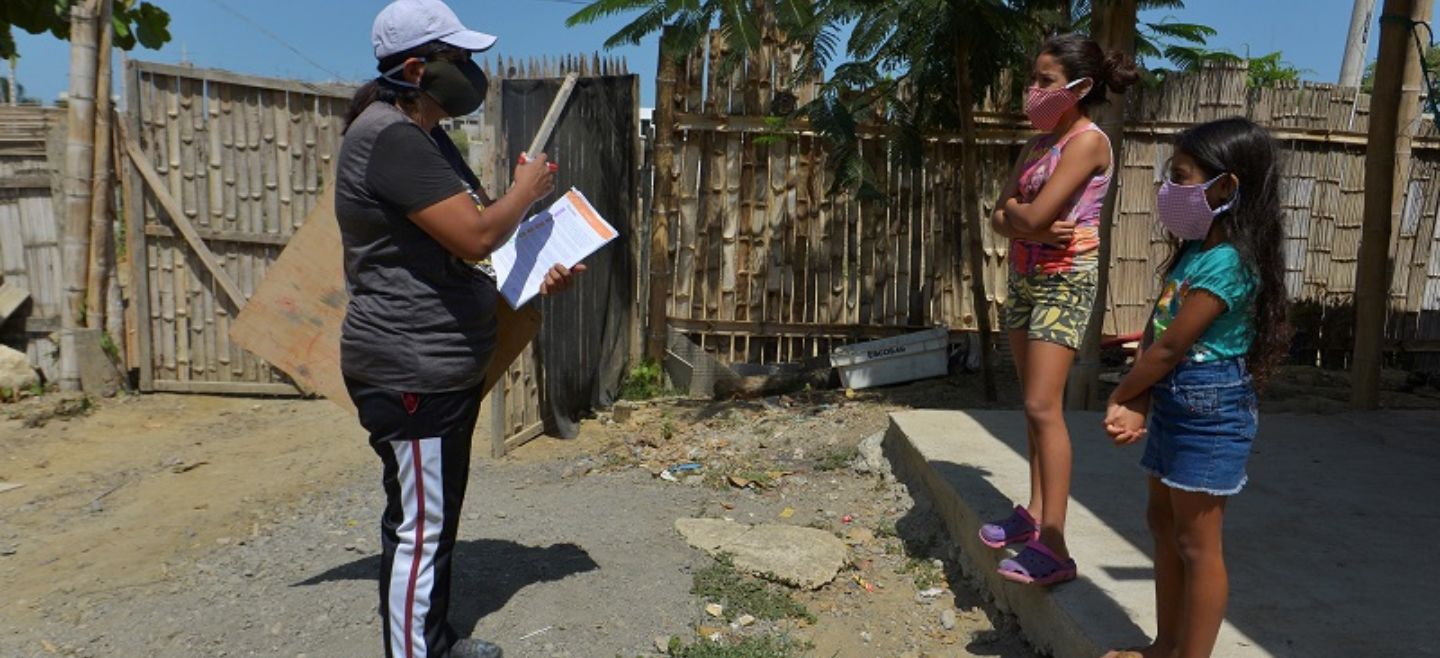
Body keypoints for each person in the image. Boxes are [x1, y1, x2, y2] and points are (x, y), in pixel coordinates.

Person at [336, 2, 581, 657]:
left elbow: (455, 250)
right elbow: (475, 234)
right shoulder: (387, 136)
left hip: (436, 364)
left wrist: (534, 270)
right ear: (417, 68)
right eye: (461, 59)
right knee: (420, 526)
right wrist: (526, 189)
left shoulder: (419, 136)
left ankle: (434, 640)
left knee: (434, 519)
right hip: (410, 369)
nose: (474, 71)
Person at [1103, 117, 1288, 658]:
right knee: (1162, 523)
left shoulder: (1228, 263)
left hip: (1210, 405)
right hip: (1177, 397)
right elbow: (1158, 328)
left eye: (1180, 177)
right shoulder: (1195, 251)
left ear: (1225, 187)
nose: (1168, 190)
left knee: (1197, 543)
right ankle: (1166, 645)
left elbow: (1168, 349)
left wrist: (1122, 395)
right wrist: (1140, 397)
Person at [981, 33, 1138, 586]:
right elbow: (1001, 217)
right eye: (1035, 78)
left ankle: (1056, 544)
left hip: (1063, 281)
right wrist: (1029, 221)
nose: (1034, 90)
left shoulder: (1088, 142)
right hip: (1024, 276)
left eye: (1045, 81)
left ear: (1081, 87)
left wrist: (1025, 217)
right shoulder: (1036, 144)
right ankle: (1032, 513)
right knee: (1032, 405)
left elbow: (1030, 210)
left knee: (1044, 407)